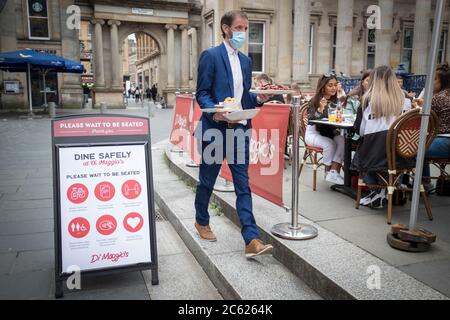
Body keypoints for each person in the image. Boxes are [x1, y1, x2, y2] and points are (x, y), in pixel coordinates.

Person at [194, 10, 273, 258]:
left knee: (243, 185)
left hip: (239, 129)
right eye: (239, 28)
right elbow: (202, 93)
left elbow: (243, 96)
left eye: (246, 29)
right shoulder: (210, 56)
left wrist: (257, 98)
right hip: (215, 129)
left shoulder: (246, 61)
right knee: (208, 180)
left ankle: (251, 238)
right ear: (226, 28)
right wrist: (214, 111)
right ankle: (201, 221)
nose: (243, 33)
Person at [352, 66, 414, 208]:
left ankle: (378, 190)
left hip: (376, 154)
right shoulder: (406, 98)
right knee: (381, 148)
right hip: (404, 152)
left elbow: (360, 130)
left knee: (361, 149)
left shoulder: (368, 99)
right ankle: (384, 191)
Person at [306, 73, 345, 185]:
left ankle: (333, 171)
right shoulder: (315, 100)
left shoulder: (335, 100)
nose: (333, 88)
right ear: (323, 87)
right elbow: (311, 119)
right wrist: (320, 109)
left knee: (343, 140)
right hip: (313, 134)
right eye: (330, 85)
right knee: (330, 144)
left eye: (335, 85)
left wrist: (341, 93)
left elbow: (340, 113)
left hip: (329, 133)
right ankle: (328, 172)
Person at [420, 63, 450, 189]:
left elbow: (424, 123)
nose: (431, 82)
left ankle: (419, 184)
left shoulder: (437, 98)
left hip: (445, 142)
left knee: (413, 149)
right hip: (444, 140)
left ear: (442, 82)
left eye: (434, 79)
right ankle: (425, 182)